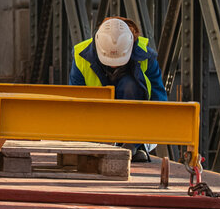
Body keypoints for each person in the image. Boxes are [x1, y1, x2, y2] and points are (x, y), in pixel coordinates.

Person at [69, 16, 167, 162]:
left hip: (135, 127)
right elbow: (75, 102)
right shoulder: (81, 56)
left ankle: (133, 145)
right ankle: (102, 141)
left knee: (130, 85)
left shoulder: (145, 56)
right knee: (97, 95)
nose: (113, 66)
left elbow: (158, 99)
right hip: (95, 121)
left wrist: (142, 138)